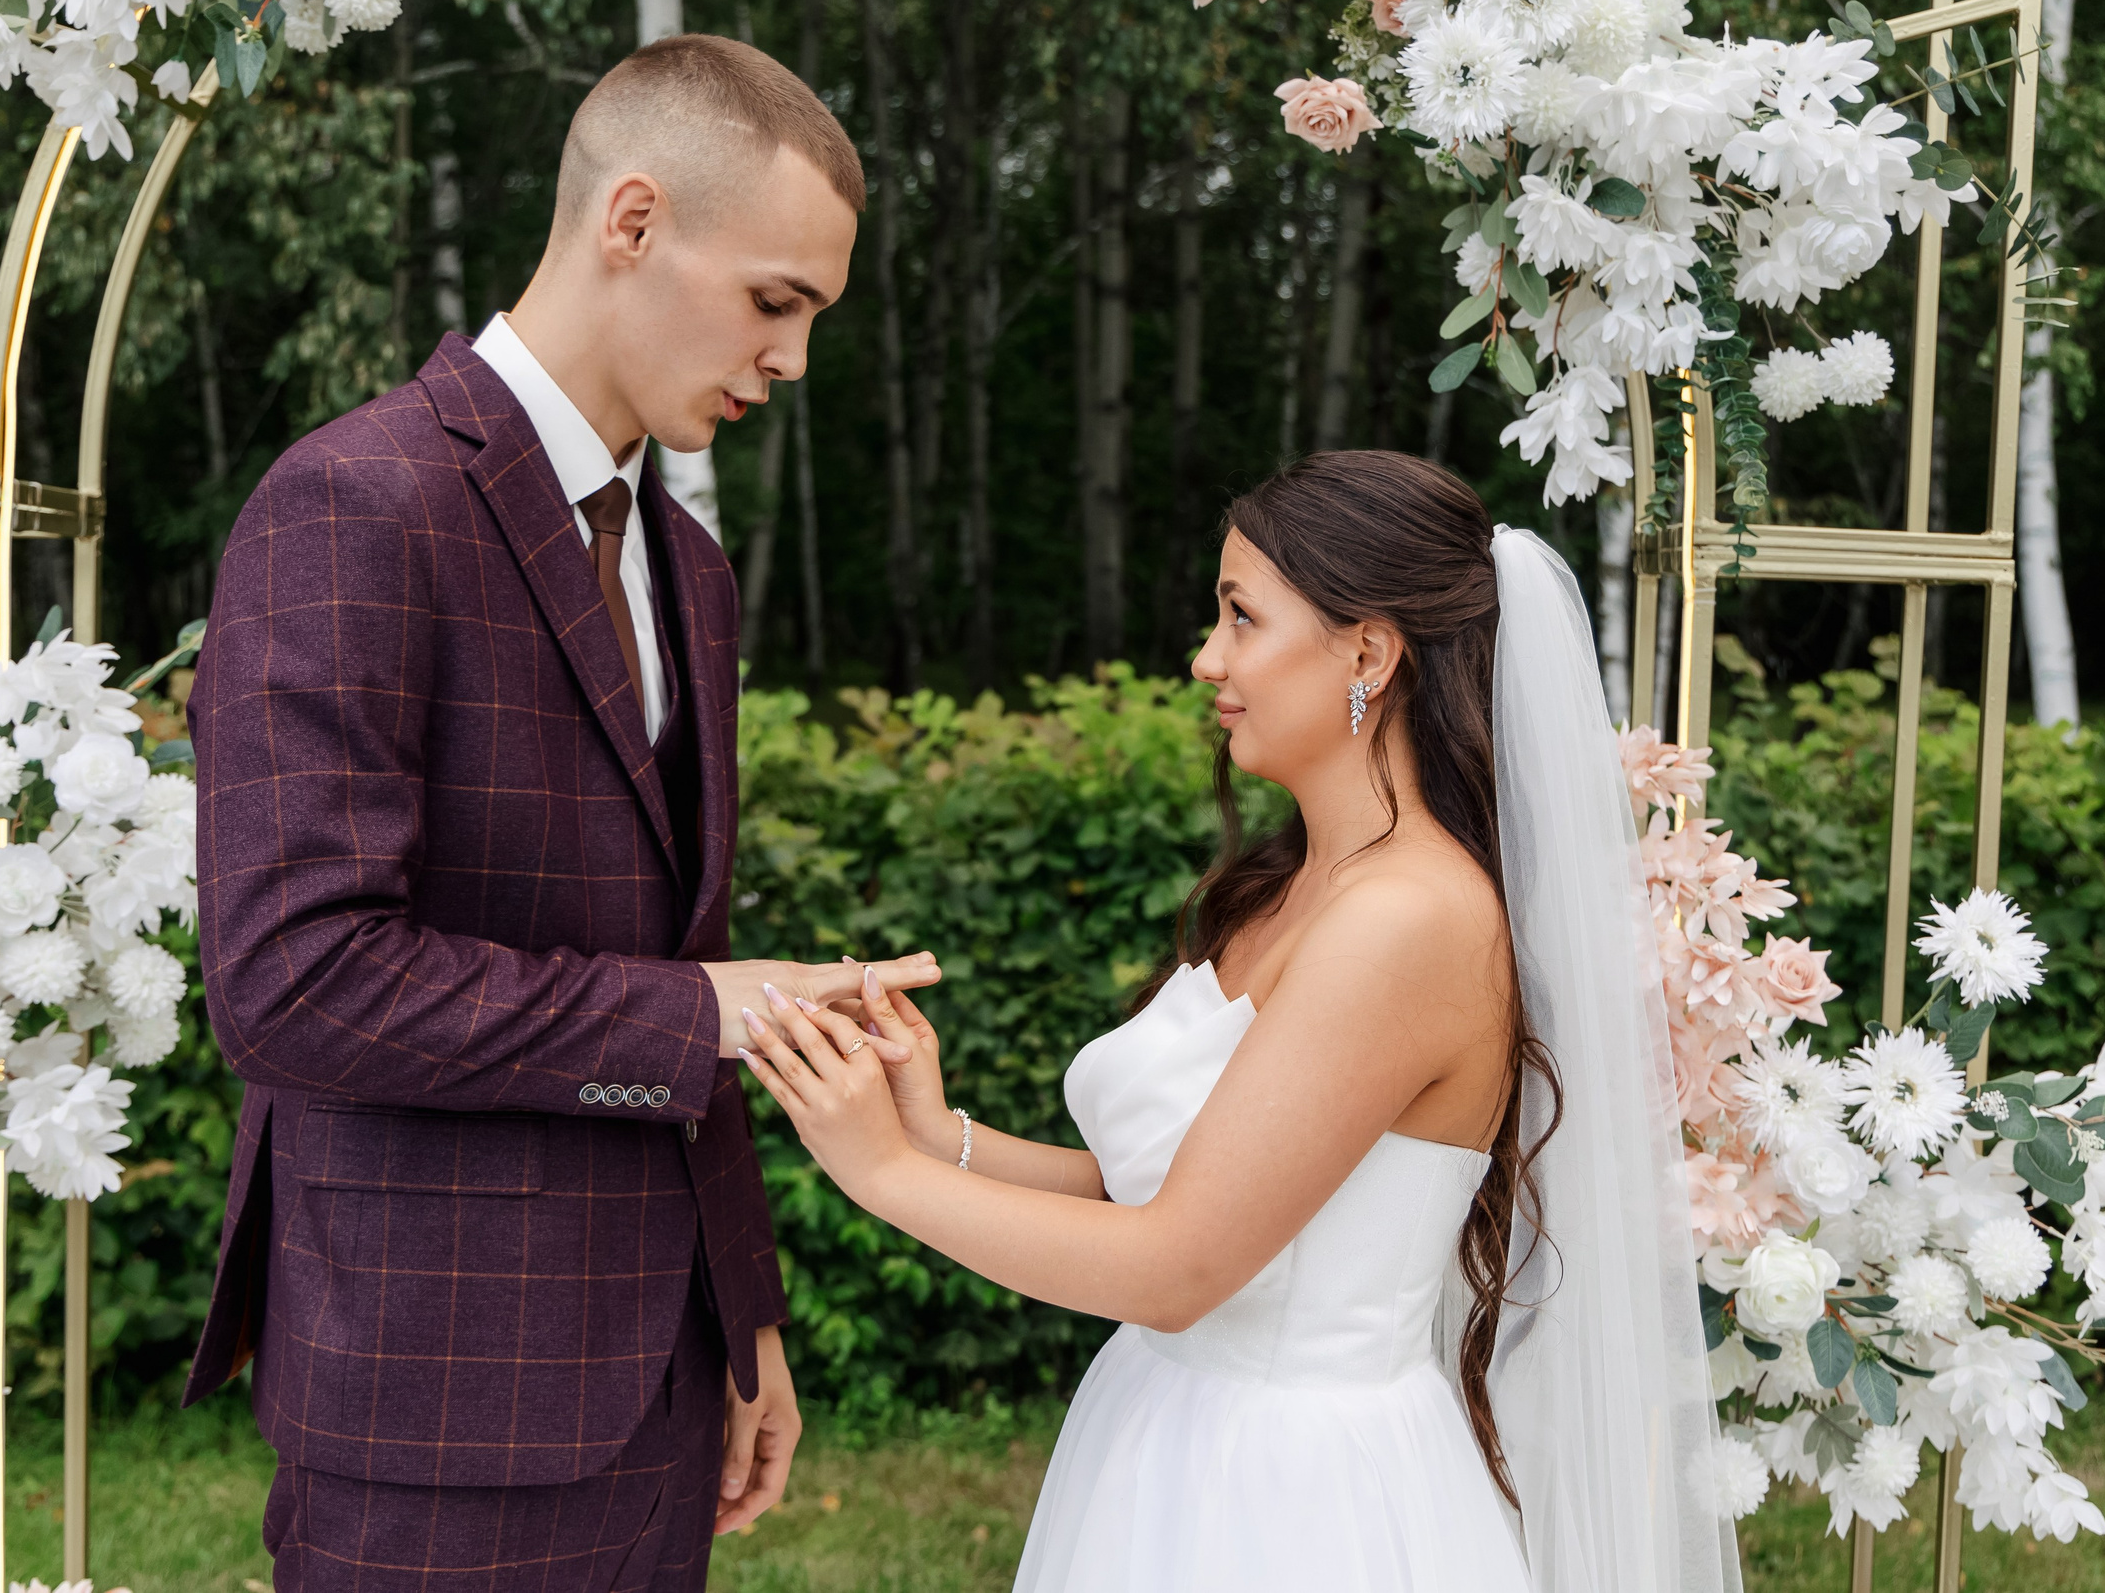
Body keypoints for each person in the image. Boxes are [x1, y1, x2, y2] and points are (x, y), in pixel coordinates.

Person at [180, 35, 939, 1593]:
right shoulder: (355, 501)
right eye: (777, 302)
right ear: (635, 221)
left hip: (662, 1387)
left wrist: (745, 1317)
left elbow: (678, 951)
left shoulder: (693, 568)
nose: (792, 360)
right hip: (431, 1402)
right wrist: (696, 1014)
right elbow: (294, 982)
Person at [741, 450, 1740, 1593]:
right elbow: (1174, 1197)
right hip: (1166, 1433)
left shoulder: (1409, 919)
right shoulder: (1290, 887)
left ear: (1367, 651)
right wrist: (937, 1137)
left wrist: (878, 1175)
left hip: (1293, 1498)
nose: (1207, 659)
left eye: (1241, 617)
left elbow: (1176, 1269)